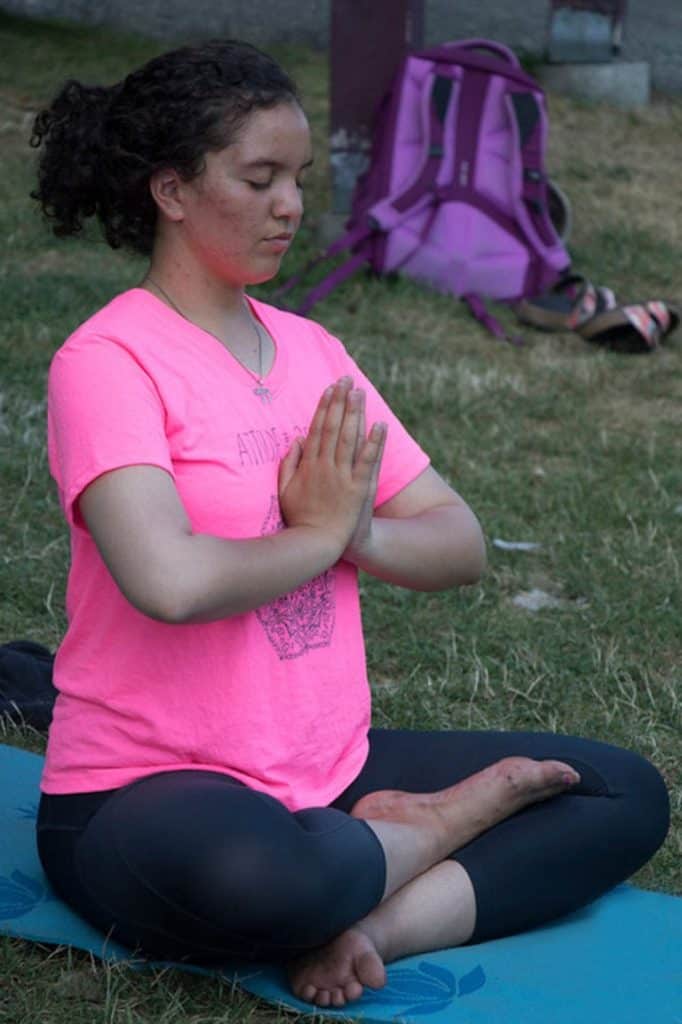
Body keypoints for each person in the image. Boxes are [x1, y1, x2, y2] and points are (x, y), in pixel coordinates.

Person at [31, 39, 669, 1009]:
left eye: (296, 177)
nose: (293, 204)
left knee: (621, 791)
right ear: (170, 189)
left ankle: (368, 923)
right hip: (147, 784)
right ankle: (426, 833)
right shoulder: (111, 359)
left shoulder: (309, 348)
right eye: (260, 178)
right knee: (259, 878)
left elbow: (454, 542)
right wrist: (321, 536)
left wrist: (359, 533)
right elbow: (167, 579)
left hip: (331, 769)